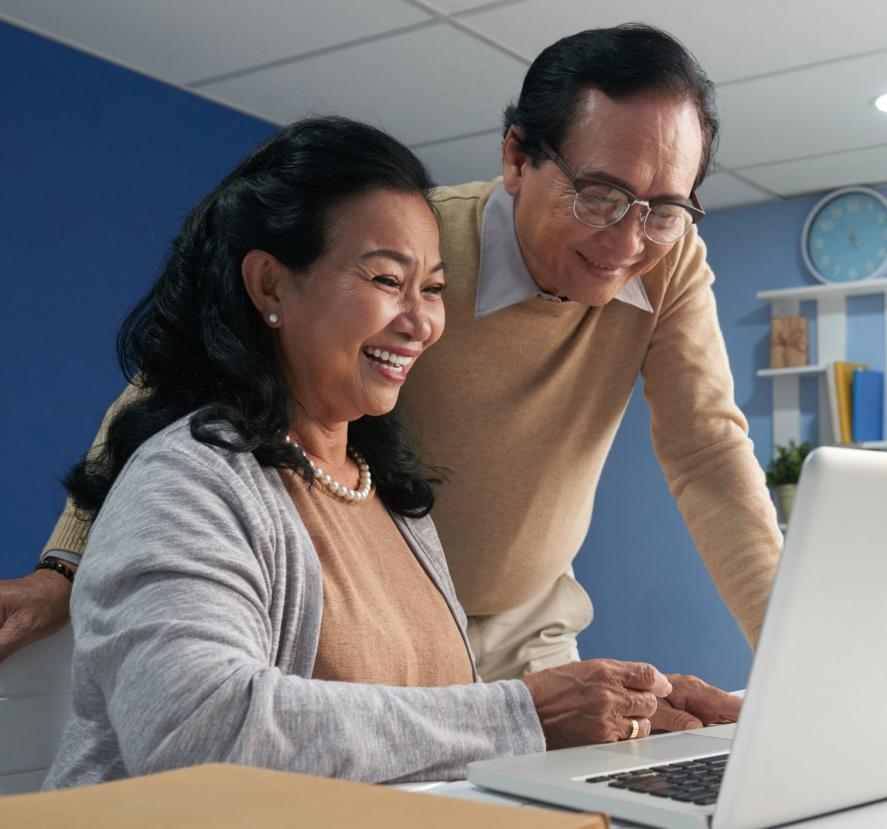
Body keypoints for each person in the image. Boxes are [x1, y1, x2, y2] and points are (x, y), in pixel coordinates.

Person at [3, 24, 782, 710]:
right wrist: (65, 563)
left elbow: (708, 452)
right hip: (374, 611)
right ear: (517, 157)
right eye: (601, 195)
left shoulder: (666, 260)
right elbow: (179, 372)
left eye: (663, 208)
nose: (626, 240)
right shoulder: (414, 243)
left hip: (528, 618)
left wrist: (795, 657)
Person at [44, 116, 738, 789]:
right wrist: (528, 712)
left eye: (433, 288)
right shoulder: (188, 483)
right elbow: (199, 730)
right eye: (384, 280)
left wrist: (637, 713)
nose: (421, 322)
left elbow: (429, 733)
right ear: (268, 285)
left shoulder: (392, 501)